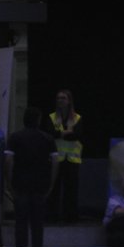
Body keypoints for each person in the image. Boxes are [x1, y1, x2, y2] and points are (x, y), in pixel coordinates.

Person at [6, 104, 60, 247]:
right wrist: (51, 184)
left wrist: (9, 183)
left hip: (20, 185)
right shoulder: (47, 139)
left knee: (21, 222)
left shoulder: (15, 137)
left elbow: (9, 161)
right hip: (40, 185)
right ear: (39, 120)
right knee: (38, 223)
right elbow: (55, 162)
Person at [42, 88, 83, 222]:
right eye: (58, 98)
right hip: (56, 159)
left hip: (72, 159)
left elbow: (77, 136)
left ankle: (70, 217)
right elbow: (49, 135)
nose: (60, 100)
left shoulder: (77, 118)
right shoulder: (51, 117)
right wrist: (65, 133)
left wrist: (59, 134)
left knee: (71, 190)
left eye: (63, 98)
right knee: (54, 189)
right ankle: (52, 216)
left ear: (69, 101)